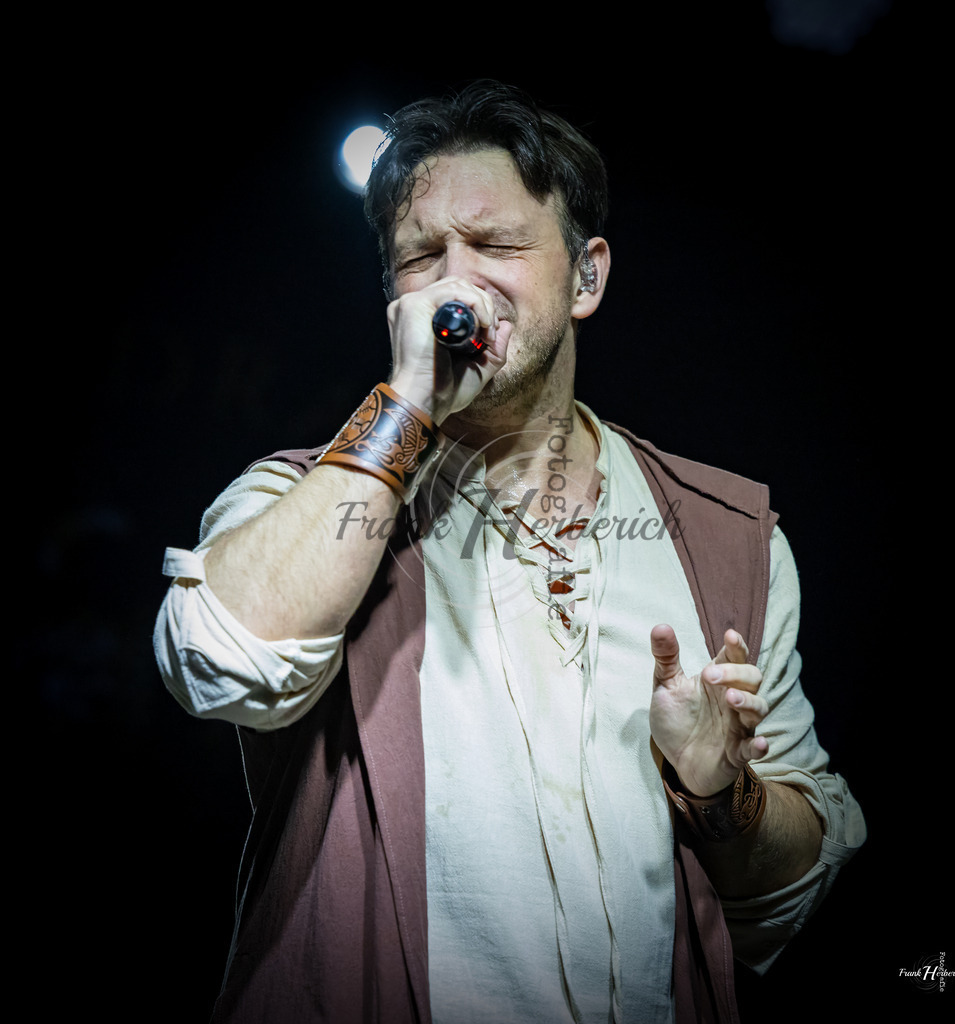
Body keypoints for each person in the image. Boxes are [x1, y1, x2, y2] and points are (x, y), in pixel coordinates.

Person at [154, 80, 865, 1024]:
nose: (457, 280)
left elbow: (793, 894)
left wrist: (721, 793)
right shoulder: (300, 494)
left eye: (494, 246)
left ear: (586, 277)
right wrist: (406, 406)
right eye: (422, 257)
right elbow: (219, 667)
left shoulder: (728, 534)